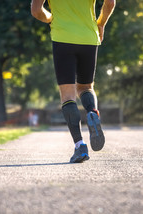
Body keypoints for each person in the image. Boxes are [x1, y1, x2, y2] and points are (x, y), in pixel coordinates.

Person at [31, 0, 116, 163]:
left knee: (68, 95)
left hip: (62, 38)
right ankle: (92, 111)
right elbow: (110, 2)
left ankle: (80, 145)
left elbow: (36, 11)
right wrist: (101, 24)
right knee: (85, 87)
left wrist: (50, 18)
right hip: (88, 37)